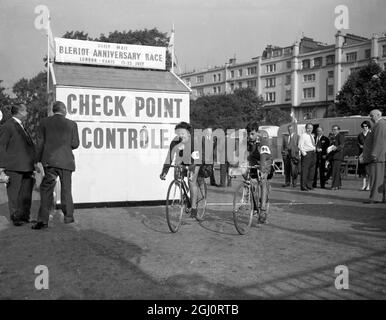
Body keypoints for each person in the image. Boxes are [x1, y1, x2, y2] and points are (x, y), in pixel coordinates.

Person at [32, 101, 80, 229]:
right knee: (66, 190)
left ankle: (43, 220)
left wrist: (37, 161)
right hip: (66, 162)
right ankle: (68, 218)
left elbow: (40, 143)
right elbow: (75, 144)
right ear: (64, 110)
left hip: (49, 162)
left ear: (54, 110)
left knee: (46, 191)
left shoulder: (44, 122)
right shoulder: (72, 124)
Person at [0, 103, 38, 226]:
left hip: (27, 166)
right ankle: (15, 217)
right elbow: (2, 146)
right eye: (26, 111)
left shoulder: (21, 126)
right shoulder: (8, 126)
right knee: (14, 194)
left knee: (26, 194)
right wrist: (2, 167)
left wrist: (34, 163)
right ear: (20, 112)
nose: (27, 113)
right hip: (14, 167)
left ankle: (24, 216)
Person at [160, 121, 203, 218]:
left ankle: (194, 207)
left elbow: (197, 158)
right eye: (179, 133)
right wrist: (164, 172)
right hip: (182, 160)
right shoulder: (175, 141)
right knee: (177, 178)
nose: (180, 135)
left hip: (195, 160)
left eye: (182, 133)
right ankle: (185, 194)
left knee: (192, 181)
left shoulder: (194, 141)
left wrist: (191, 167)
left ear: (188, 133)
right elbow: (169, 157)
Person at [242, 122, 273, 224]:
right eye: (248, 134)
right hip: (255, 160)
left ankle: (263, 210)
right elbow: (245, 154)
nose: (250, 136)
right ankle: (255, 207)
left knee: (262, 181)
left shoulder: (263, 141)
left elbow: (264, 157)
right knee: (252, 182)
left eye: (252, 134)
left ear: (257, 132)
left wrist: (263, 170)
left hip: (266, 161)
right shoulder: (248, 141)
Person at [363, 109, 386, 204]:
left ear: (378, 115)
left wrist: (374, 154)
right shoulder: (379, 124)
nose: (370, 117)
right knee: (379, 178)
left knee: (376, 178)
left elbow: (379, 141)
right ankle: (379, 197)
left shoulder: (380, 125)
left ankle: (375, 198)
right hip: (379, 156)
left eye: (372, 115)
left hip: (378, 157)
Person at [298, 123, 316, 191]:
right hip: (307, 154)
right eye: (308, 128)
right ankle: (303, 186)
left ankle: (309, 185)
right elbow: (300, 146)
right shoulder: (303, 135)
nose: (310, 129)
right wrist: (305, 154)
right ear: (306, 128)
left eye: (311, 128)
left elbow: (312, 145)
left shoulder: (312, 135)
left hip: (313, 154)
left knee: (312, 171)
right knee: (305, 171)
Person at [329, 125, 345, 190]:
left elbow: (342, 145)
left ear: (338, 130)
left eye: (335, 129)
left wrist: (336, 148)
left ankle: (334, 186)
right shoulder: (333, 137)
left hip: (338, 156)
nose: (334, 131)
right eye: (333, 129)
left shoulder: (340, 136)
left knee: (335, 171)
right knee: (336, 171)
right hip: (333, 156)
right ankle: (338, 185)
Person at [357, 120, 371, 191]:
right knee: (363, 171)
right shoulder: (360, 135)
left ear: (368, 126)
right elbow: (358, 143)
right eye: (363, 126)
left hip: (369, 154)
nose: (365, 127)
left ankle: (368, 185)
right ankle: (363, 185)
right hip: (361, 154)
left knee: (368, 171)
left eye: (366, 126)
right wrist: (360, 146)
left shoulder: (371, 134)